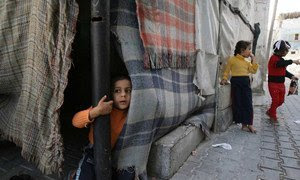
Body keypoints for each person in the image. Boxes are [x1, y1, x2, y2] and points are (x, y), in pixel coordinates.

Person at [68, 75, 134, 180]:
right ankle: (74, 175)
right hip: (95, 151)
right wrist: (95, 112)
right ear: (111, 94)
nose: (123, 95)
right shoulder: (103, 108)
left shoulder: (132, 114)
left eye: (128, 91)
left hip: (119, 156)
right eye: (117, 91)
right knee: (87, 175)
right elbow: (75, 121)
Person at [220, 40, 259, 133]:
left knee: (248, 103)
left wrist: (254, 60)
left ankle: (250, 124)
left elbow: (253, 71)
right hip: (236, 83)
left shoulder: (247, 62)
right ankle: (243, 125)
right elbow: (227, 71)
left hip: (245, 82)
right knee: (238, 103)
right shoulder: (232, 59)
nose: (250, 51)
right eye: (248, 49)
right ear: (242, 50)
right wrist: (224, 79)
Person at [266, 40, 300, 122]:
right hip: (273, 84)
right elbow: (279, 64)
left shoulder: (281, 60)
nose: (287, 52)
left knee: (281, 101)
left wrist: (292, 76)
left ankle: (270, 111)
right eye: (285, 50)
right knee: (275, 100)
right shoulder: (273, 58)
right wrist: (293, 61)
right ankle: (273, 116)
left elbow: (283, 71)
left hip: (281, 84)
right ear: (280, 50)